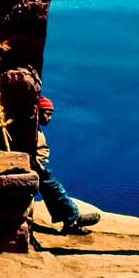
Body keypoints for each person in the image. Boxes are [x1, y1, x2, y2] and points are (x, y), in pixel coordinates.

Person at [35, 96, 102, 235]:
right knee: (55, 189)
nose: (50, 118)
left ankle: (71, 220)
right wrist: (40, 168)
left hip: (39, 165)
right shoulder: (30, 131)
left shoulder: (34, 129)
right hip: (37, 167)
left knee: (53, 190)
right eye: (47, 114)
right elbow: (28, 151)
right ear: (37, 112)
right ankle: (73, 219)